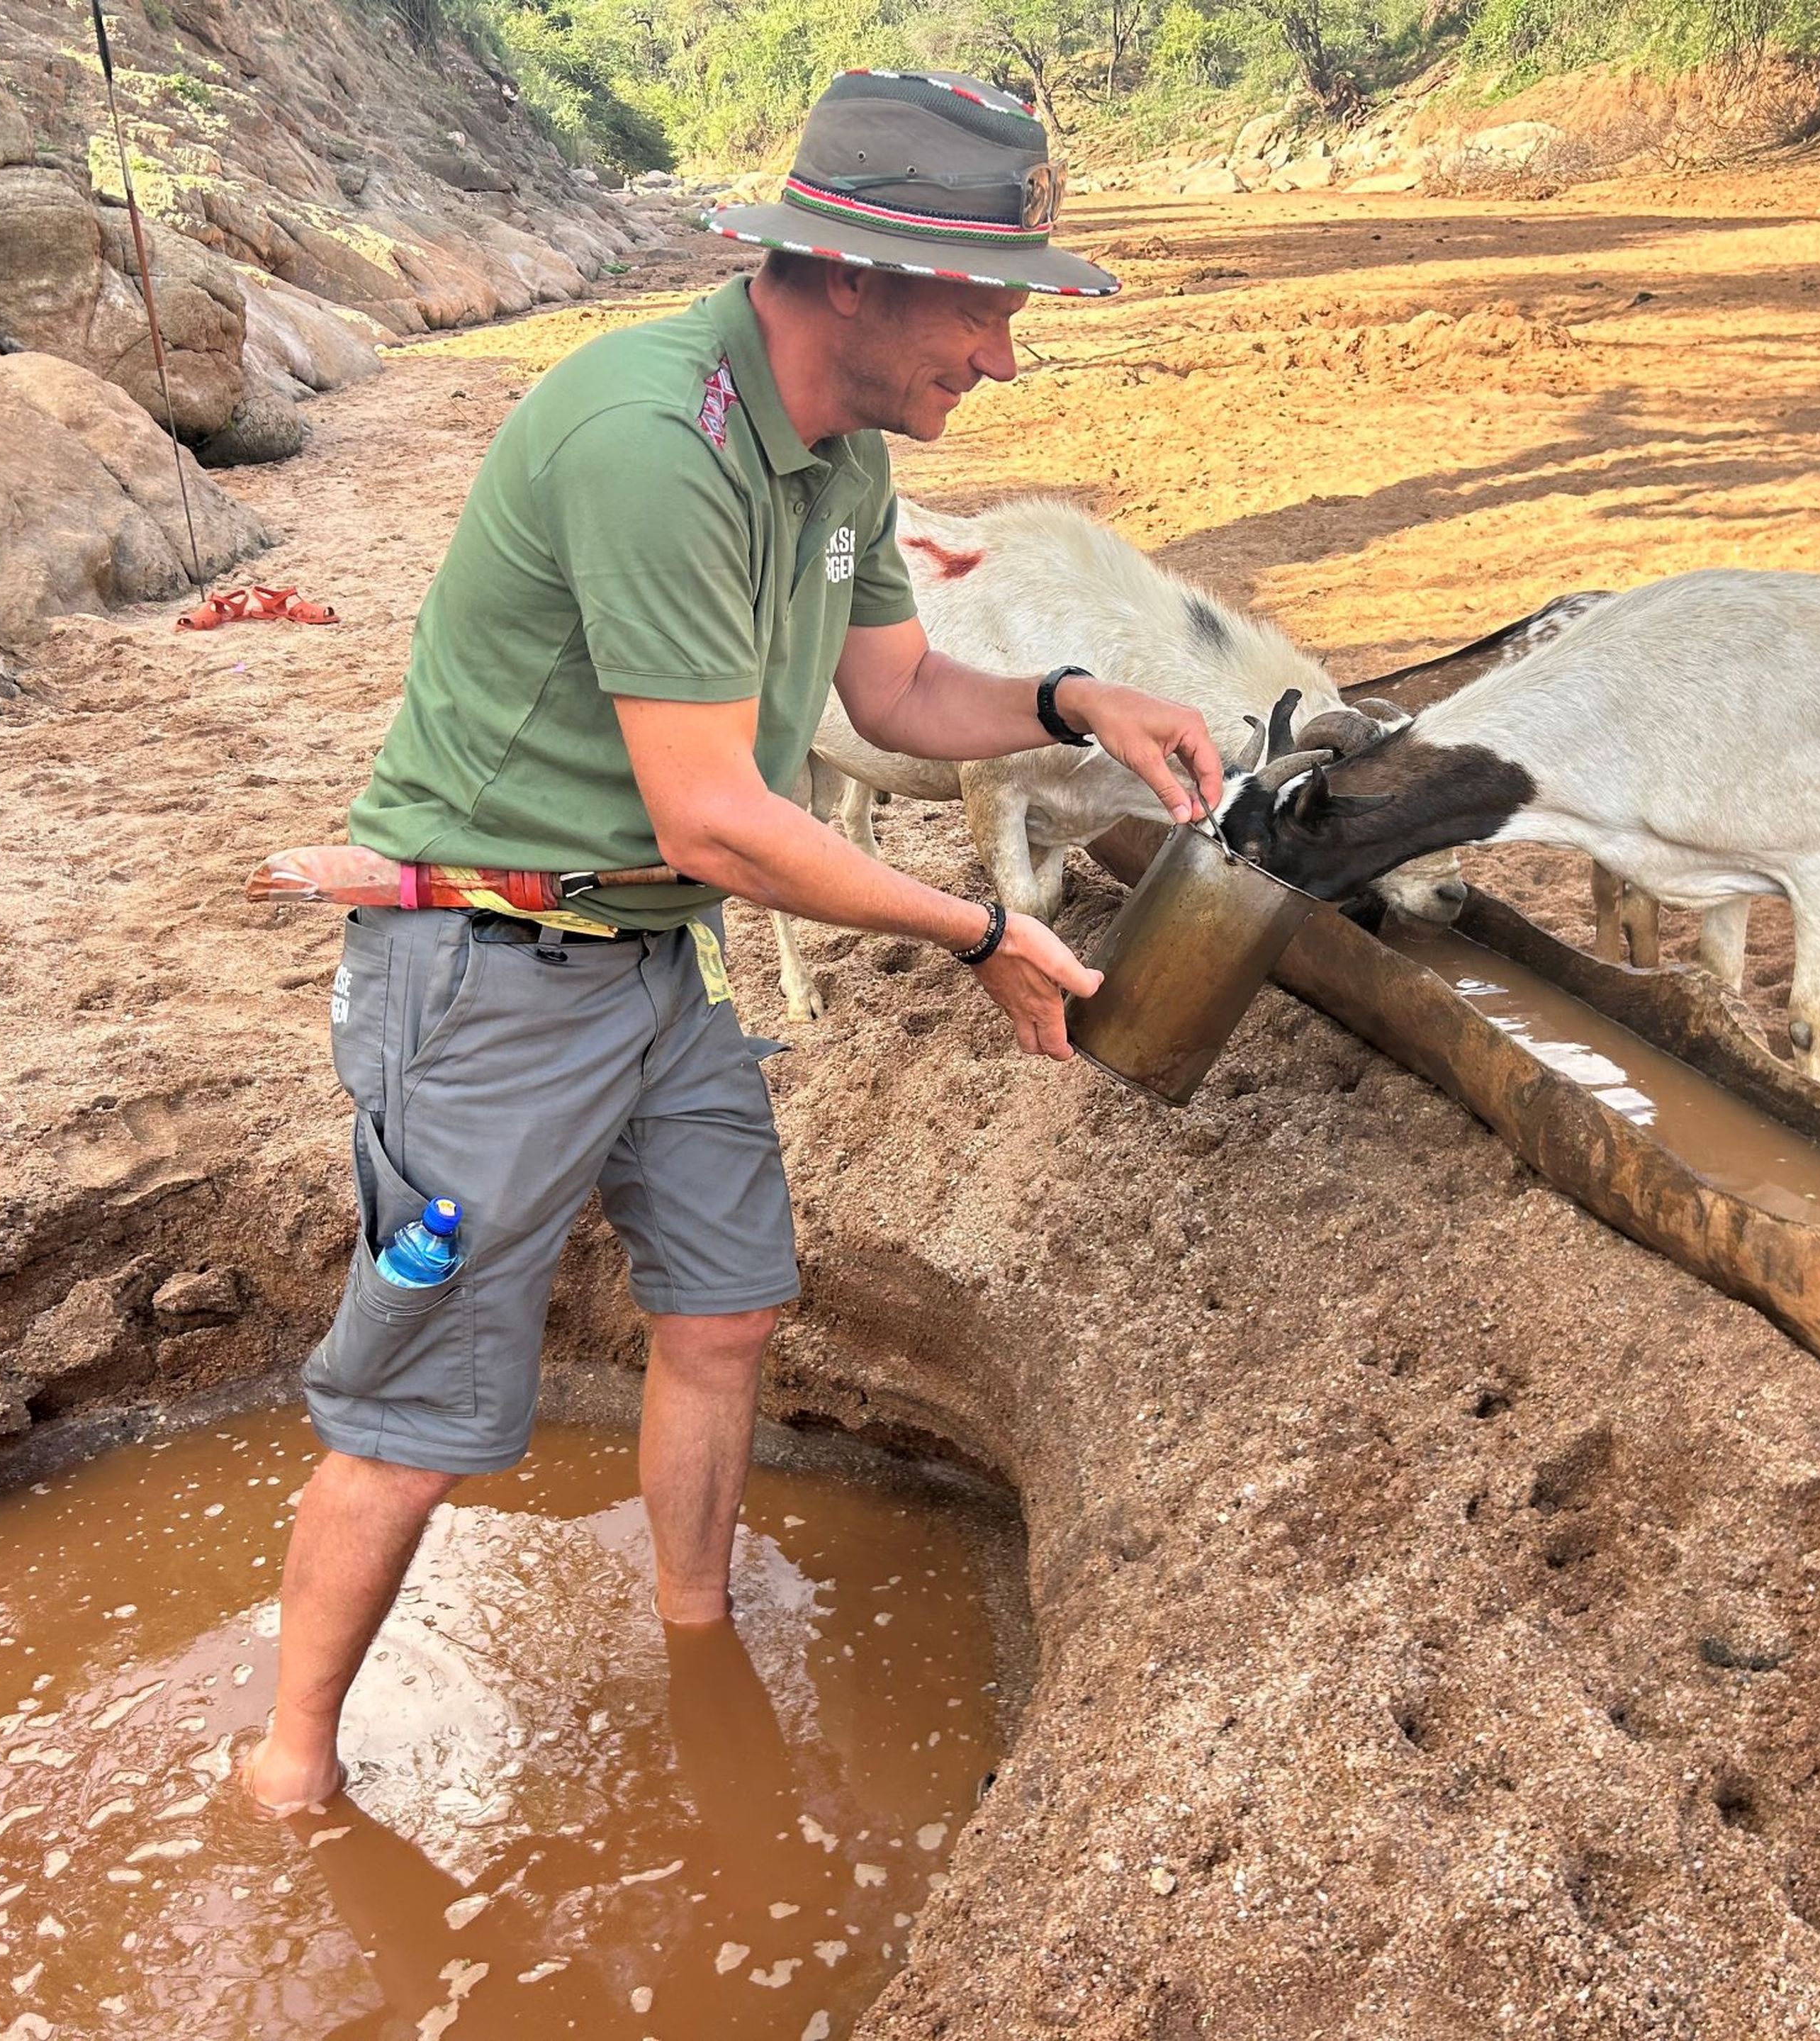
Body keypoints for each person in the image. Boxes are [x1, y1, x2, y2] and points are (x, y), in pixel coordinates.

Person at [245, 69, 1223, 1809]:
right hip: (485, 969)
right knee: (419, 1412)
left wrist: (1079, 699)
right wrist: (977, 926)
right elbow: (712, 813)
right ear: (850, 272)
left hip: (647, 959)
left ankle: (696, 1635)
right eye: (985, 302)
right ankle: (289, 1771)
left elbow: (900, 691)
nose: (1002, 351)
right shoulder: (652, 440)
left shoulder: (835, 454)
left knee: (726, 1308)